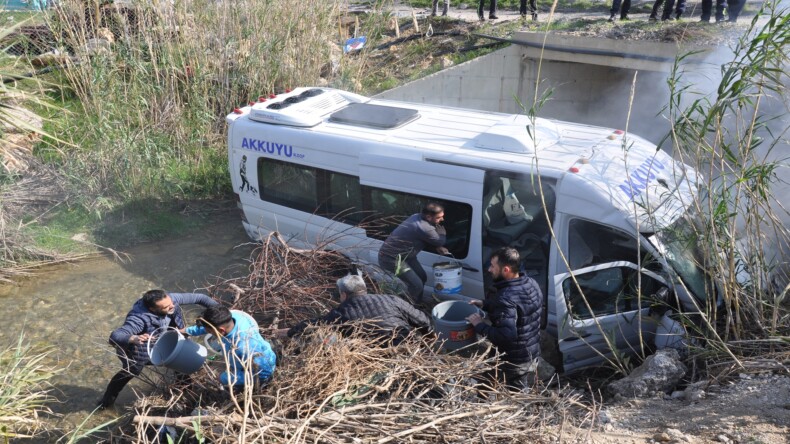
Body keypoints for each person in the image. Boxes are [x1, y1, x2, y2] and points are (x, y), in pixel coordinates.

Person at [98, 289, 219, 409]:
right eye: (167, 307)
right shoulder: (139, 318)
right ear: (153, 309)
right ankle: (106, 402)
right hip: (140, 350)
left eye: (171, 303)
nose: (173, 306)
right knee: (129, 373)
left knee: (179, 362)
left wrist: (221, 313)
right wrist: (133, 338)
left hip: (168, 340)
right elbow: (116, 335)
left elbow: (200, 298)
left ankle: (186, 392)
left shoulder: (169, 299)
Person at [466, 247, 542, 390]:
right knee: (515, 385)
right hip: (531, 350)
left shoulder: (505, 297)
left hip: (514, 359)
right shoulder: (531, 283)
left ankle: (484, 407)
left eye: (493, 266)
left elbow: (505, 335)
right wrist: (485, 304)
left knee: (488, 383)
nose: (489, 269)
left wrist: (479, 325)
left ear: (506, 270)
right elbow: (520, 309)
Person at [284, 275, 431, 345]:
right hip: (409, 345)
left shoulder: (341, 313)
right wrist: (429, 339)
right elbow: (423, 321)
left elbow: (313, 324)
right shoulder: (392, 299)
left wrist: (289, 332)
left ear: (343, 294)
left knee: (332, 342)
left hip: (379, 356)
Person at [185, 306, 276, 388]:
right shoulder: (234, 317)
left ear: (221, 330)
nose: (208, 333)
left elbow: (263, 374)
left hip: (259, 371)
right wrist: (187, 331)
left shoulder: (243, 346)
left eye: (209, 331)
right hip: (246, 358)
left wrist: (225, 378)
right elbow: (209, 326)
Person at [378, 202, 449, 304]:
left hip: (406, 256)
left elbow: (422, 237)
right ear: (428, 217)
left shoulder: (416, 216)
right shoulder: (424, 227)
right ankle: (407, 309)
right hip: (392, 259)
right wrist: (442, 234)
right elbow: (439, 240)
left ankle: (416, 303)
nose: (442, 220)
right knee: (416, 285)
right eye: (439, 217)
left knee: (422, 277)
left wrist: (437, 246)